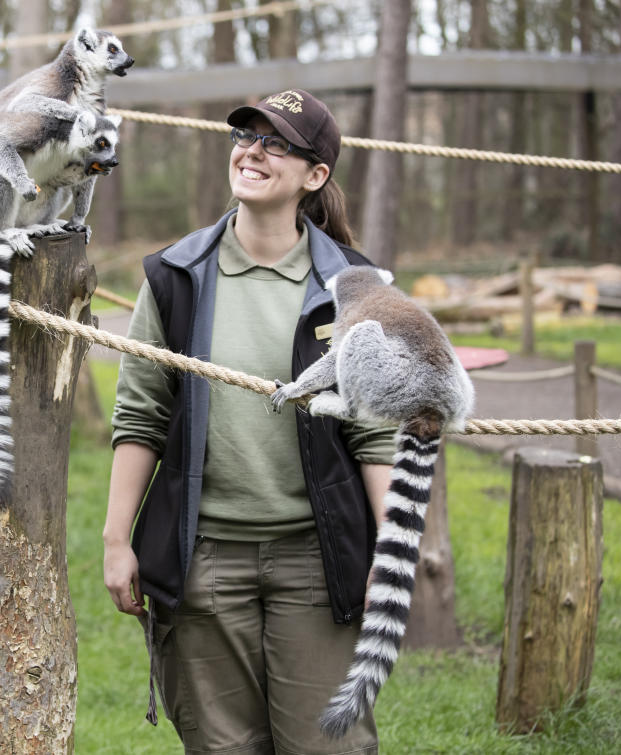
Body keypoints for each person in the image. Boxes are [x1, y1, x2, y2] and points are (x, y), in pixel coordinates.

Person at [102, 88, 396, 755]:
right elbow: (141, 415)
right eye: (245, 137)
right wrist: (117, 538)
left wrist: (391, 546)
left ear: (314, 175)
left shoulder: (356, 285)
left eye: (277, 144)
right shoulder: (175, 275)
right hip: (202, 558)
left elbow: (378, 427)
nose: (253, 152)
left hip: (318, 563)